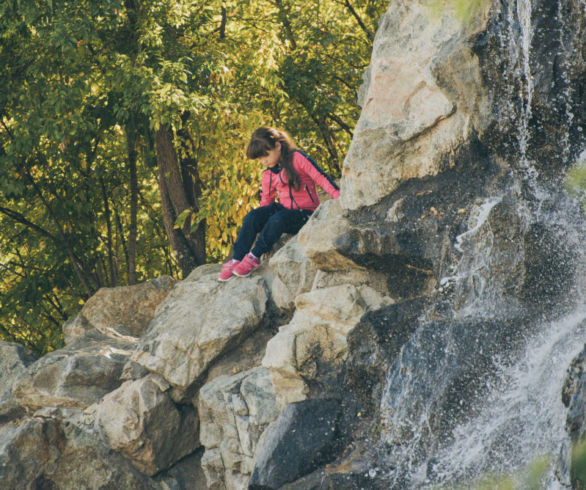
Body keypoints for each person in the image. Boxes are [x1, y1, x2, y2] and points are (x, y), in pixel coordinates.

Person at [218, 127, 340, 281]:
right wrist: (266, 238)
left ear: (277, 146)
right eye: (260, 159)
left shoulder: (297, 158)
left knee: (278, 219)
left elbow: (320, 177)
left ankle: (253, 257)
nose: (263, 161)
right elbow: (266, 203)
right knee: (252, 216)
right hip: (284, 211)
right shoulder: (268, 174)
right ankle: (236, 259)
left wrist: (339, 197)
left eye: (265, 156)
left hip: (306, 213)